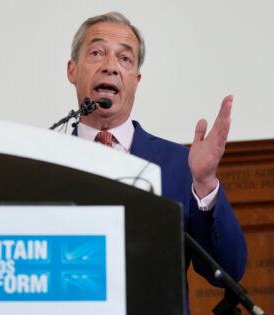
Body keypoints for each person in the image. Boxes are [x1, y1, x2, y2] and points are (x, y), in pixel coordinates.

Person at [67, 12, 247, 313]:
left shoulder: (179, 165)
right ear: (72, 70)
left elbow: (229, 270)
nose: (111, 66)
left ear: (136, 81)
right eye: (97, 53)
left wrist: (204, 184)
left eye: (125, 59)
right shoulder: (44, 159)